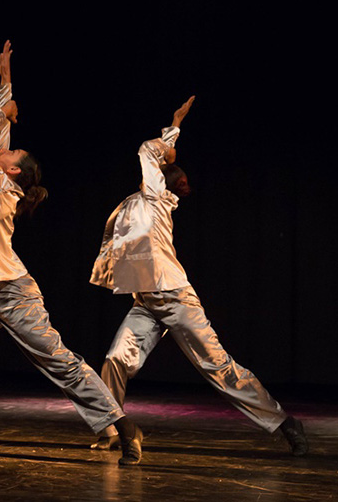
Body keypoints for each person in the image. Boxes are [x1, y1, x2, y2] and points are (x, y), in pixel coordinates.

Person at [0, 41, 144, 466]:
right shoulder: (0, 177)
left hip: (14, 294)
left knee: (61, 364)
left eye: (9, 154)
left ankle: (125, 427)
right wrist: (6, 77)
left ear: (12, 170)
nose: (3, 150)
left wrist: (2, 113)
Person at [89, 96, 308, 456]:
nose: (186, 183)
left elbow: (148, 150)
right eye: (183, 178)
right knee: (116, 359)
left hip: (175, 298)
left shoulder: (158, 200)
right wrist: (173, 131)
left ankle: (286, 423)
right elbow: (153, 160)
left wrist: (170, 138)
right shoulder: (145, 197)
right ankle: (114, 429)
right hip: (145, 301)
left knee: (219, 369)